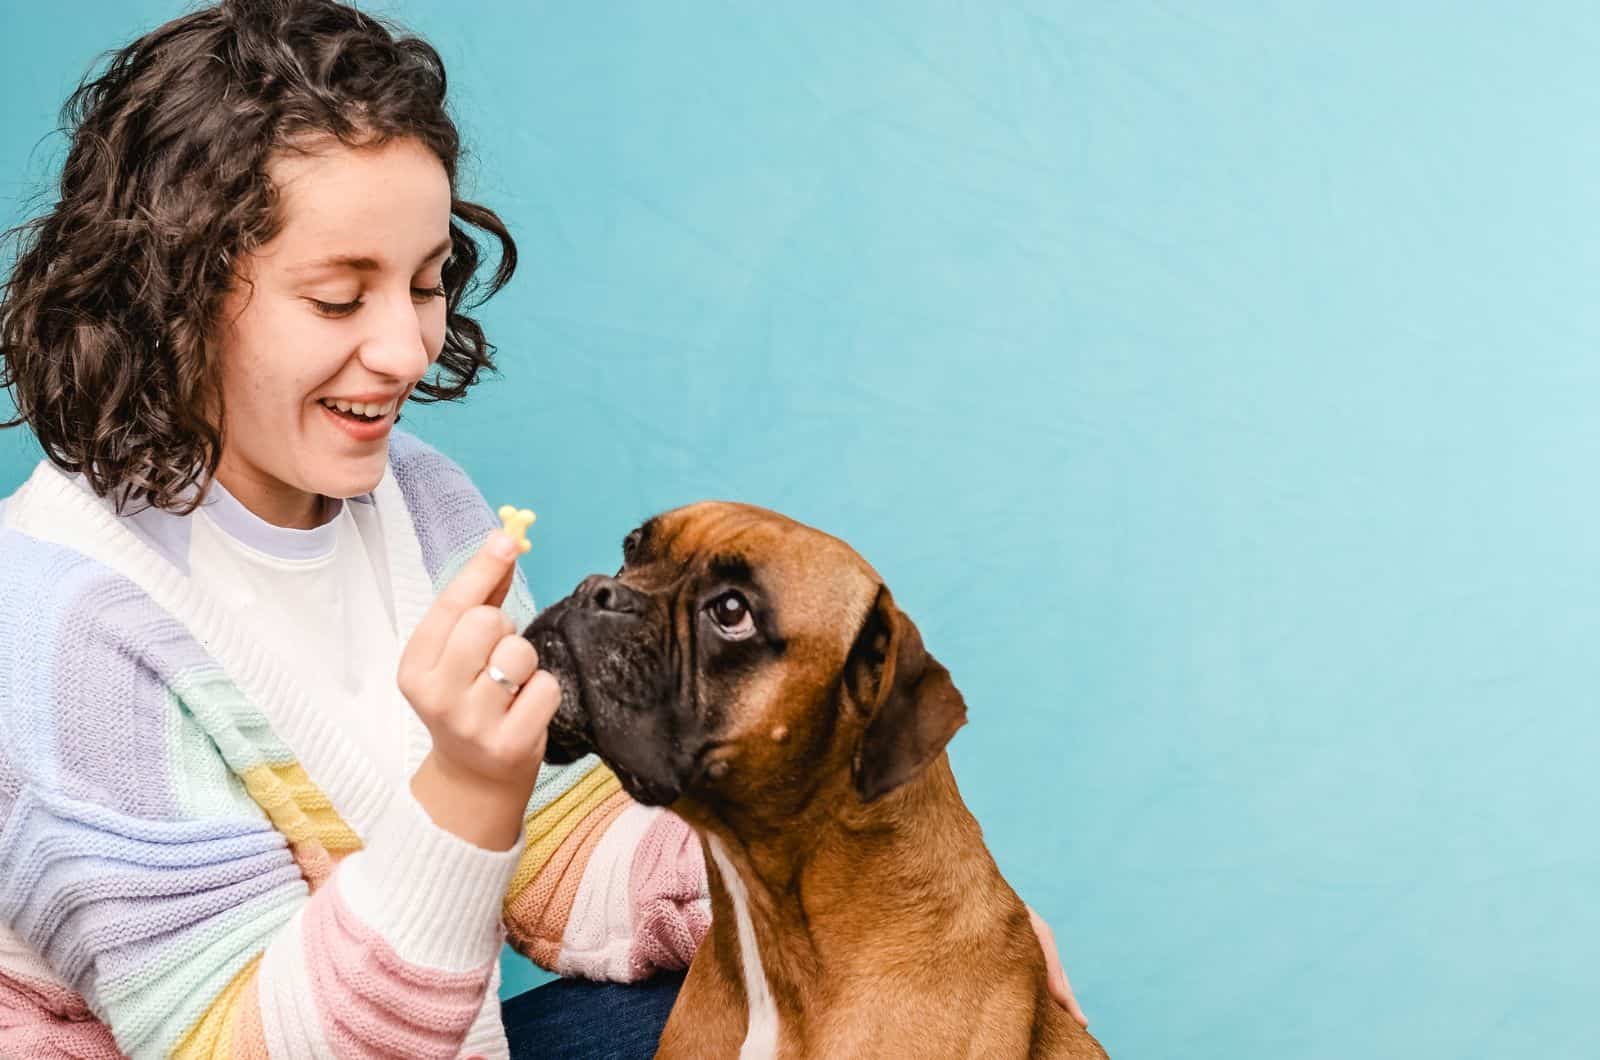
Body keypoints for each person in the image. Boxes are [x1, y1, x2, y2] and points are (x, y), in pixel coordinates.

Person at [0, 2, 1086, 1057]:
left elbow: (559, 854)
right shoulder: (65, 627)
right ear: (168, 296)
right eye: (339, 298)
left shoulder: (418, 500)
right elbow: (235, 1042)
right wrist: (463, 798)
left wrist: (919, 946)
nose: (407, 351)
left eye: (427, 285)